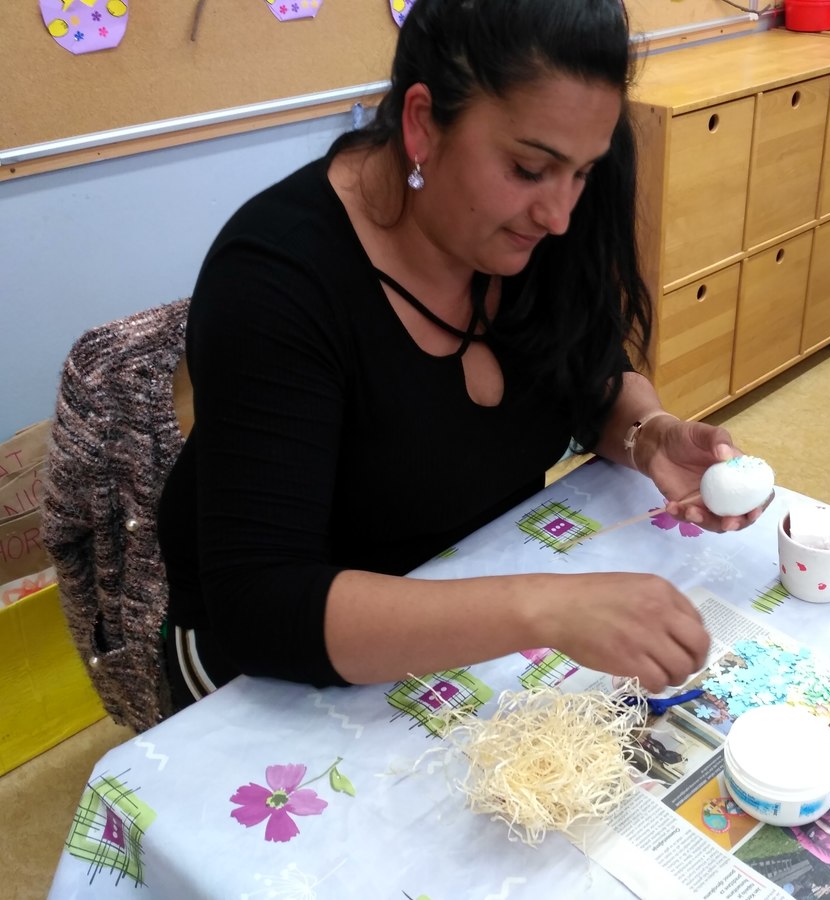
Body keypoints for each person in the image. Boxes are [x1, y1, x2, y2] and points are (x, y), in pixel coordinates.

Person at [156, 0, 767, 711]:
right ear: (422, 122)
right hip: (278, 666)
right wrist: (547, 608)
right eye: (529, 168)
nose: (559, 215)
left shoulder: (536, 217)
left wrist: (648, 435)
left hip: (471, 598)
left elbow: (588, 373)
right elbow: (261, 606)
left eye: (582, 173)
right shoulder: (277, 280)